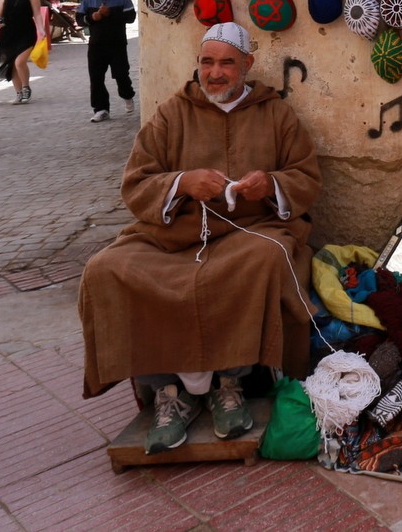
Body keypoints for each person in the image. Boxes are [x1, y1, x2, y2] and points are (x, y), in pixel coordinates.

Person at [78, 23, 321, 452]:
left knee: (267, 258)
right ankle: (169, 392)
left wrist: (269, 185)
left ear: (247, 65)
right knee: (107, 269)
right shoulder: (173, 113)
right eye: (207, 62)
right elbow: (136, 182)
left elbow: (305, 176)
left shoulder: (275, 114)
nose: (215, 73)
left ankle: (231, 383)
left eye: (227, 62)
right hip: (175, 235)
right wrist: (182, 183)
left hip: (250, 232)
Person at [78, 0, 136, 122]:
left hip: (117, 44)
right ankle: (101, 109)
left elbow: (131, 17)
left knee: (121, 75)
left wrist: (111, 13)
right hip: (96, 46)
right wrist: (92, 17)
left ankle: (127, 95)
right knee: (96, 78)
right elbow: (79, 19)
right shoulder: (89, 0)